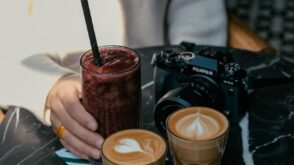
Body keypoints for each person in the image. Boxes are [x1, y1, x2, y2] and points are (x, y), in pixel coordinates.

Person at [0, 0, 227, 159]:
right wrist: (49, 86)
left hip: (156, 88)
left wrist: (192, 61)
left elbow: (195, 6)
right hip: (53, 108)